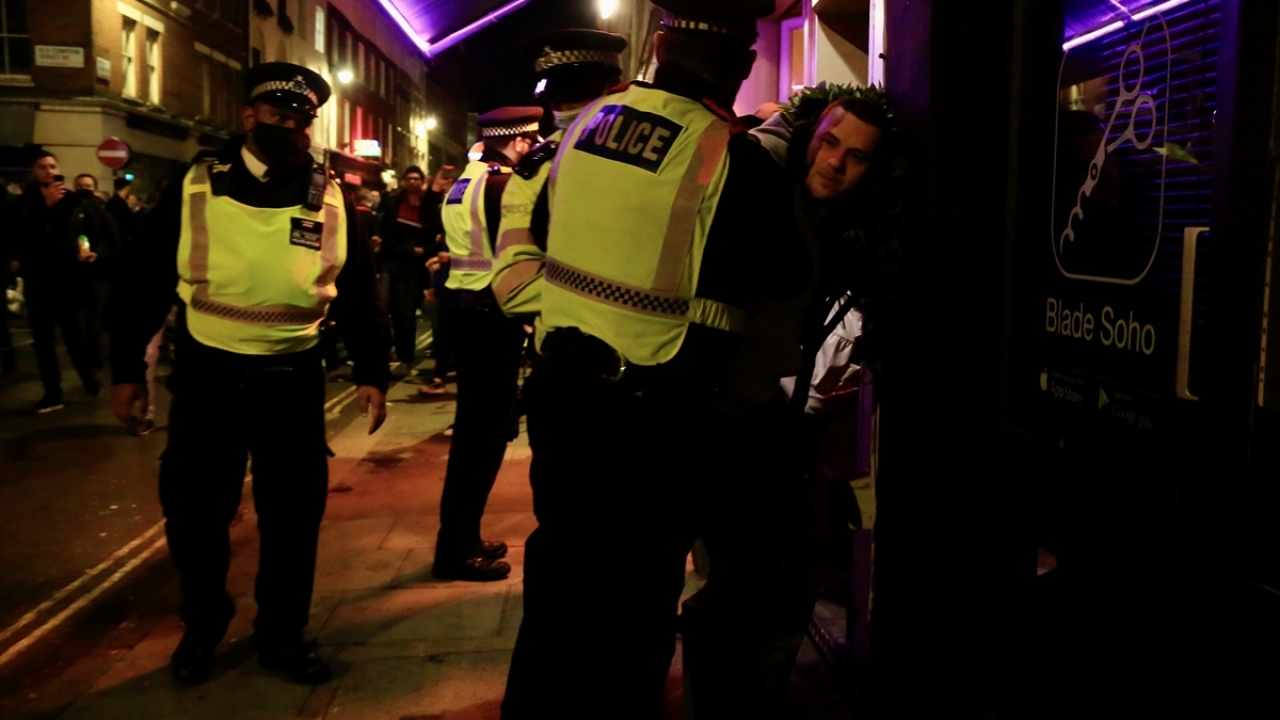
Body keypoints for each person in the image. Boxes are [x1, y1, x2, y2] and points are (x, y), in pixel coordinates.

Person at [500, 1, 807, 717]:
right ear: (744, 63)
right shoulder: (732, 156)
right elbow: (781, 277)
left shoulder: (584, 125)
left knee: (558, 588)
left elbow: (543, 236)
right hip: (652, 423)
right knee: (633, 616)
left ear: (661, 46)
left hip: (561, 397)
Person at [108, 62, 390, 686]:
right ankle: (203, 626)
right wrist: (127, 369)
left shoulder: (332, 193)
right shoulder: (195, 183)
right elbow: (145, 278)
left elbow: (358, 288)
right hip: (209, 373)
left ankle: (282, 636)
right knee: (194, 515)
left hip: (293, 376)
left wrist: (373, 370)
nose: (290, 128)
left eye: (300, 120)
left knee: (293, 519)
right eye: (277, 116)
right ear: (249, 117)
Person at [432, 106, 543, 582]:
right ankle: (455, 548)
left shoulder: (466, 180)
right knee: (483, 437)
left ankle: (464, 536)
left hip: (466, 309)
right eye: (532, 142)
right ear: (519, 141)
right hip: (491, 316)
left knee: (476, 433)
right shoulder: (503, 186)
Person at [491, 29, 627, 319]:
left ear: (614, 86)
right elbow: (514, 289)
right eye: (555, 95)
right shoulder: (536, 169)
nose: (565, 107)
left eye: (575, 92)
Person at [10, 151, 116, 412]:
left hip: (69, 279)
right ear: (33, 172)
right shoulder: (23, 204)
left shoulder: (75, 202)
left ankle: (89, 379)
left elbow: (95, 234)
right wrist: (45, 207)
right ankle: (52, 393)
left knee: (74, 336)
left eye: (52, 166)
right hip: (38, 279)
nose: (48, 171)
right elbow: (19, 236)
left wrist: (92, 252)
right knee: (43, 340)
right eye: (42, 166)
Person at [376, 166, 445, 375]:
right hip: (392, 261)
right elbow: (383, 229)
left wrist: (424, 250)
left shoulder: (428, 206)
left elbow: (437, 235)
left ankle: (405, 356)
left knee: (405, 312)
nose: (412, 182)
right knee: (383, 310)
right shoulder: (393, 202)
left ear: (422, 181)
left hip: (414, 266)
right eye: (409, 178)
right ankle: (384, 354)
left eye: (416, 178)